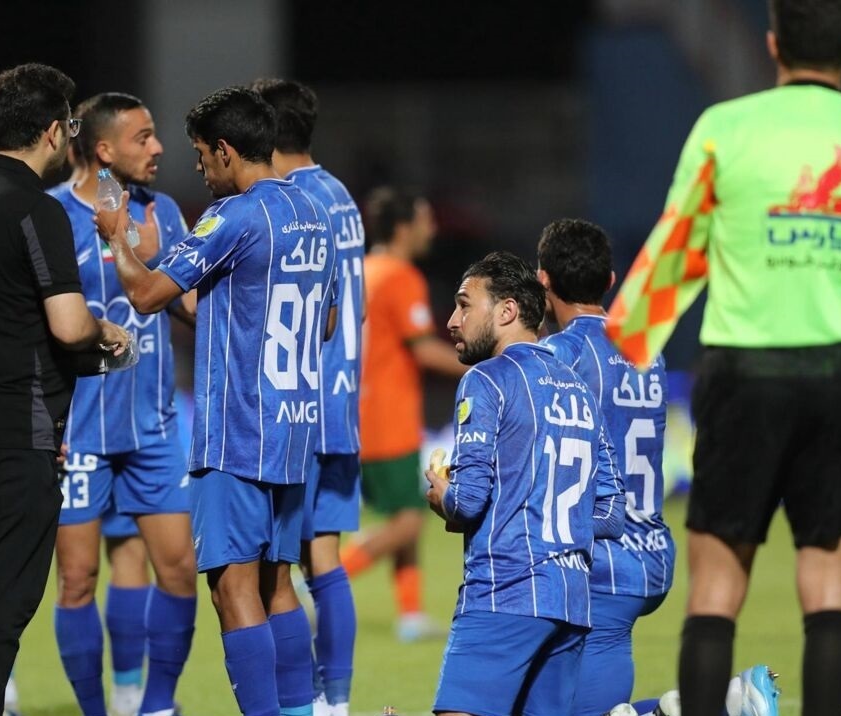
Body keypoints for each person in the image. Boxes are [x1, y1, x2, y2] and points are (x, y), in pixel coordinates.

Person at [648, 2, 841, 715]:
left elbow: (676, 248)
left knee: (717, 585)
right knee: (830, 583)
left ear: (774, 44)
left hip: (744, 369)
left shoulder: (721, 128)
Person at [95, 85, 336, 716]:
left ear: (226, 150)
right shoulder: (313, 212)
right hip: (293, 428)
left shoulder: (232, 215)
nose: (200, 169)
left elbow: (145, 295)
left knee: (234, 589)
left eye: (203, 155)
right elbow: (328, 321)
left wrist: (119, 239)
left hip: (237, 431)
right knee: (278, 584)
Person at [0, 63, 130, 715]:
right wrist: (108, 331)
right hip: (16, 436)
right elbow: (69, 325)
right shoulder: (35, 209)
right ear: (54, 132)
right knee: (2, 606)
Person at [48, 91, 198, 716]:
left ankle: (155, 706)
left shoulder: (163, 212)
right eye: (143, 137)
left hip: (153, 430)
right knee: (78, 579)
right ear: (104, 149)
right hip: (78, 432)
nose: (158, 147)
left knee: (180, 571)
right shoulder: (51, 215)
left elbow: (193, 308)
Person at [424, 251, 625, 716]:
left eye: (464, 305)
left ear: (507, 311)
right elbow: (612, 513)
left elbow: (468, 501)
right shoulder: (579, 389)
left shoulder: (487, 380)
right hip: (572, 601)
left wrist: (443, 495)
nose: (452, 320)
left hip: (506, 589)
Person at [252, 77, 364, 716]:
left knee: (275, 567)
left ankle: (297, 699)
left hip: (298, 403)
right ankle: (335, 701)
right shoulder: (341, 196)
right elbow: (355, 308)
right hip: (342, 401)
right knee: (325, 559)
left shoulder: (291, 201)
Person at [536, 219, 676, 716]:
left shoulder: (561, 355)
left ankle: (719, 707)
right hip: (652, 548)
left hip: (601, 559)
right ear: (611, 280)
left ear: (543, 280)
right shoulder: (648, 350)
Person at [343, 186, 466, 642]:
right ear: (403, 227)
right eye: (424, 219)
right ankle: (317, 585)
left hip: (356, 410)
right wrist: (486, 366)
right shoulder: (400, 276)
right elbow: (424, 349)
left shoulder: (362, 270)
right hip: (386, 415)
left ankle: (410, 613)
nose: (431, 229)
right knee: (409, 520)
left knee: (405, 513)